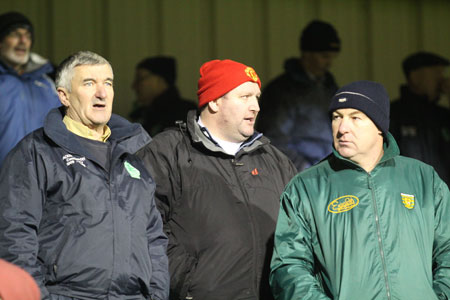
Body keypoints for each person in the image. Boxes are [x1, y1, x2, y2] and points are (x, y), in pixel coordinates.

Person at [0, 51, 169, 300]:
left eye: (108, 83)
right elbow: (14, 234)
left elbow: (154, 235)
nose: (101, 93)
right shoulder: (36, 152)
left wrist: (156, 294)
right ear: (64, 95)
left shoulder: (135, 152)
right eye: (89, 83)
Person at [270, 80, 450, 299]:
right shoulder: (306, 187)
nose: (343, 128)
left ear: (379, 126)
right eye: (337, 117)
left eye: (356, 117)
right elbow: (289, 266)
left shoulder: (423, 179)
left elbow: (447, 251)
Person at [138, 59, 297, 300]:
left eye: (256, 97)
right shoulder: (166, 153)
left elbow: (300, 232)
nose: (256, 106)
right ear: (213, 101)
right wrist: (187, 282)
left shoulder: (275, 160)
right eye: (245, 97)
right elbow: (142, 228)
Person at [256, 20, 341, 171]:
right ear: (307, 54)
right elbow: (274, 140)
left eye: (332, 57)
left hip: (330, 174)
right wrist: (307, 171)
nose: (329, 63)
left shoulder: (330, 87)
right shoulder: (282, 91)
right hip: (301, 178)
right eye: (324, 56)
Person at [0, 11, 60, 168]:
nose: (23, 41)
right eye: (15, 34)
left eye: (27, 35)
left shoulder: (50, 80)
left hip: (43, 182)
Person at [390, 51, 450, 185]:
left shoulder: (443, 115)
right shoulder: (394, 114)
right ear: (415, 77)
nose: (442, 80)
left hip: (444, 199)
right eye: (437, 74)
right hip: (409, 199)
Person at [130, 55, 196, 136]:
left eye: (140, 79)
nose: (134, 85)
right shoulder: (142, 115)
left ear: (160, 80)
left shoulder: (185, 113)